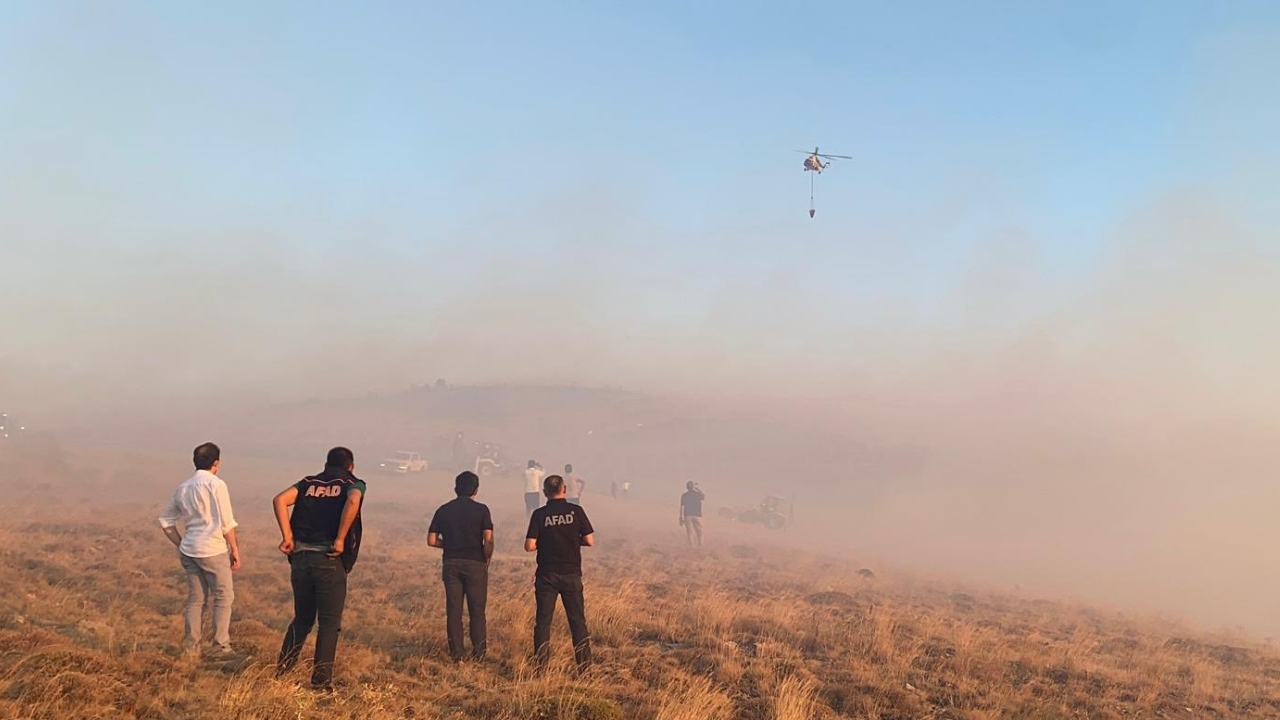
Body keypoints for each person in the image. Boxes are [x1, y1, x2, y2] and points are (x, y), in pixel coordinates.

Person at [273, 447, 366, 690]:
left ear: (326, 464)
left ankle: (282, 672)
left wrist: (288, 537)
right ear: (351, 466)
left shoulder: (307, 483)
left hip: (301, 558)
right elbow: (354, 500)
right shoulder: (352, 483)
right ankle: (320, 681)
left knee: (302, 619)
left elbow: (280, 500)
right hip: (329, 559)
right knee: (328, 622)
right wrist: (340, 538)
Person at [158, 442, 241, 659]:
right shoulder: (217, 485)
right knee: (223, 597)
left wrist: (181, 542)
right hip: (213, 549)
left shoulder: (183, 487)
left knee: (196, 599)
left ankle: (190, 650)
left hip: (190, 550)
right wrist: (235, 550)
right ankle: (220, 647)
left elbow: (166, 522)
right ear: (217, 463)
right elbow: (226, 523)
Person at [525, 475, 595, 671]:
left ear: (545, 492)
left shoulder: (539, 515)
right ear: (564, 489)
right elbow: (589, 540)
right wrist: (574, 540)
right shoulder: (576, 511)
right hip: (571, 573)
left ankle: (541, 667)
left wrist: (545, 542)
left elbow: (529, 546)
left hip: (546, 574)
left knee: (543, 622)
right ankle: (584, 668)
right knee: (577, 622)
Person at [427, 471, 494, 661]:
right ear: (476, 490)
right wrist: (486, 559)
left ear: (456, 488)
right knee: (477, 610)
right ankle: (479, 653)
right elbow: (488, 540)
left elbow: (431, 540)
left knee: (454, 610)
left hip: (451, 562)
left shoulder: (443, 510)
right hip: (475, 562)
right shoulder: (482, 510)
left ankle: (457, 653)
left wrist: (448, 544)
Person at [679, 481, 705, 549]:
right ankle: (701, 546)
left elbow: (682, 507)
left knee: (690, 533)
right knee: (700, 532)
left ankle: (692, 548)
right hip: (697, 515)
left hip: (687, 515)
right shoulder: (697, 494)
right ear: (693, 486)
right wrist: (697, 488)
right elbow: (703, 496)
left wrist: (680, 517)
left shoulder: (684, 495)